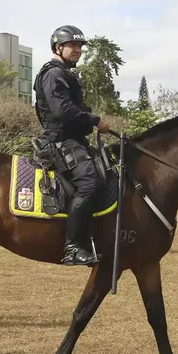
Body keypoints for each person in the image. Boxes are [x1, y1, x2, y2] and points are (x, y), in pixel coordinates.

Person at [33, 25, 110, 266]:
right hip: (61, 140)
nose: (78, 50)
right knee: (88, 183)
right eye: (72, 45)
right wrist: (95, 120)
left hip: (72, 138)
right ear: (58, 47)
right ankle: (73, 248)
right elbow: (62, 110)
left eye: (80, 46)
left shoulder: (63, 73)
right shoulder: (55, 74)